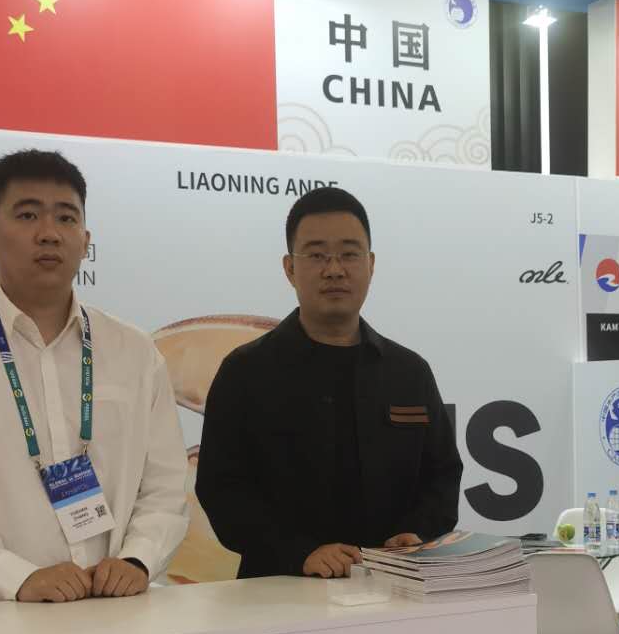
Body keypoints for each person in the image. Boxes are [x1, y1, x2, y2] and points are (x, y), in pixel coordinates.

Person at [0, 148, 188, 606]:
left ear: (85, 239)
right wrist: (17, 577)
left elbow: (165, 483)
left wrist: (137, 559)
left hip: (114, 612)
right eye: (28, 215)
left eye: (66, 218)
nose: (49, 233)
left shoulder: (134, 351)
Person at [196, 186, 462, 578]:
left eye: (349, 254)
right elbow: (222, 490)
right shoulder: (245, 372)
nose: (334, 269)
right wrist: (298, 553)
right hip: (277, 590)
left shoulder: (409, 372)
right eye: (317, 255)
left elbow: (442, 475)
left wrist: (417, 533)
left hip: (392, 585)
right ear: (290, 268)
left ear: (371, 264)